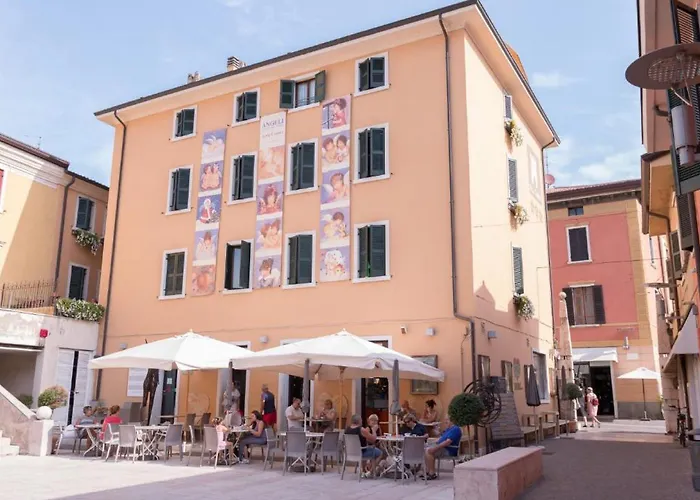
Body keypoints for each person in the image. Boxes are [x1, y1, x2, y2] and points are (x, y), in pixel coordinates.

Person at [425, 416, 462, 480]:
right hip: (443, 448)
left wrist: (435, 448)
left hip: (449, 450)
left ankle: (432, 473)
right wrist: (432, 443)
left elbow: (447, 442)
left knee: (429, 451)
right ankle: (427, 472)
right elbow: (440, 439)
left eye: (447, 420)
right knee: (425, 449)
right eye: (445, 420)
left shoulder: (455, 429)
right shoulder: (448, 429)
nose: (445, 422)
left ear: (452, 420)